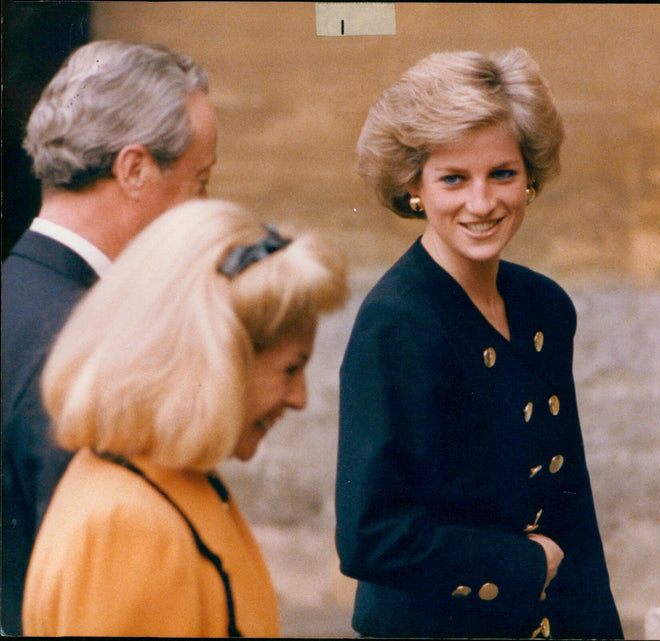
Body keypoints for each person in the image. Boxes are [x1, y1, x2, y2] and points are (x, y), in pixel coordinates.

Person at [335, 48, 623, 639]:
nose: (482, 202)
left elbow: (570, 504)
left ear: (530, 177)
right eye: (453, 179)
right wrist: (523, 566)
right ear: (414, 187)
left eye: (502, 173)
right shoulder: (395, 324)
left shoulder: (544, 306)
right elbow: (373, 537)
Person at [22, 198, 348, 636]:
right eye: (291, 368)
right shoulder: (129, 528)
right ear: (216, 359)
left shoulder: (165, 485)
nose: (301, 398)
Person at [1, 40, 217, 634]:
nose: (206, 205)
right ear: (135, 169)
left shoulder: (17, 290)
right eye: (201, 180)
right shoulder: (89, 343)